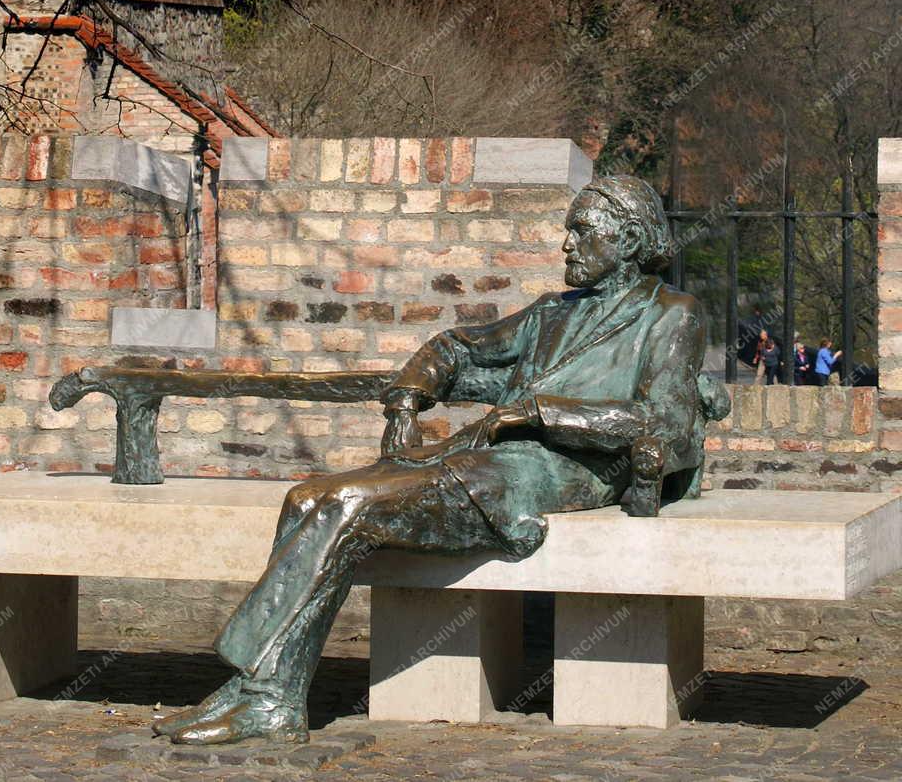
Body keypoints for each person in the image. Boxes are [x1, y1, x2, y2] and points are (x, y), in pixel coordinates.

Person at [155, 176, 714, 749]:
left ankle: (267, 694)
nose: (566, 244)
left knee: (348, 505)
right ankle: (260, 686)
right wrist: (409, 394)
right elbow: (456, 346)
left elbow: (665, 423)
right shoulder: (551, 311)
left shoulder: (671, 313)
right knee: (303, 497)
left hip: (563, 469)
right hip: (486, 456)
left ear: (626, 240)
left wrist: (542, 412)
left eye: (581, 230)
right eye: (567, 230)